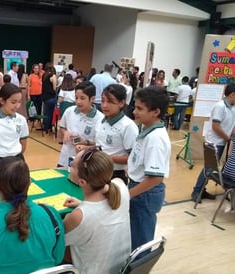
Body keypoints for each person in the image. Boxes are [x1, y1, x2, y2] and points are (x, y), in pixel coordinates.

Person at [63, 148, 131, 274]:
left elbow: (58, 243)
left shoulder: (79, 216)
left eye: (73, 165)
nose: (71, 163)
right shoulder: (120, 185)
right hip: (121, 269)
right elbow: (102, 209)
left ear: (82, 182)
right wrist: (82, 204)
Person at [128, 86, 170, 253]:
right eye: (135, 107)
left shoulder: (156, 139)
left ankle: (139, 268)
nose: (134, 112)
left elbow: (155, 178)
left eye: (140, 108)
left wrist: (129, 194)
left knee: (140, 242)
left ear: (155, 112)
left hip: (144, 193)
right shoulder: (146, 129)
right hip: (138, 188)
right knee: (134, 235)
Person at [77, 84, 138, 184]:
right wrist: (86, 147)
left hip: (115, 175)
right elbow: (101, 146)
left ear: (121, 103)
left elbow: (133, 158)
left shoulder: (128, 126)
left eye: (110, 101)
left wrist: (106, 158)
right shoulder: (101, 120)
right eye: (102, 100)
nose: (104, 105)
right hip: (95, 171)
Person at [191, 83, 235, 202]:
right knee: (209, 169)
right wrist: (228, 138)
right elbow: (216, 127)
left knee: (213, 169)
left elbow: (232, 125)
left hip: (223, 142)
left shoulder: (232, 107)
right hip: (214, 143)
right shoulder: (220, 106)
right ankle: (196, 192)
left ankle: (203, 191)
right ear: (232, 94)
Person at [58, 81, 103, 168]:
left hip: (85, 162)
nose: (78, 102)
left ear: (92, 99)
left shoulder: (100, 119)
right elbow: (62, 127)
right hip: (65, 158)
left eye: (82, 98)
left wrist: (85, 143)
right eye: (76, 97)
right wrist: (66, 132)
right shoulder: (69, 111)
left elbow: (100, 146)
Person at [41, 62, 57, 134]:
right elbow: (54, 88)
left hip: (44, 96)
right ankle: (47, 128)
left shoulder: (44, 75)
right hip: (51, 97)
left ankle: (46, 127)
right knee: (50, 114)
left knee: (46, 113)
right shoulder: (53, 76)